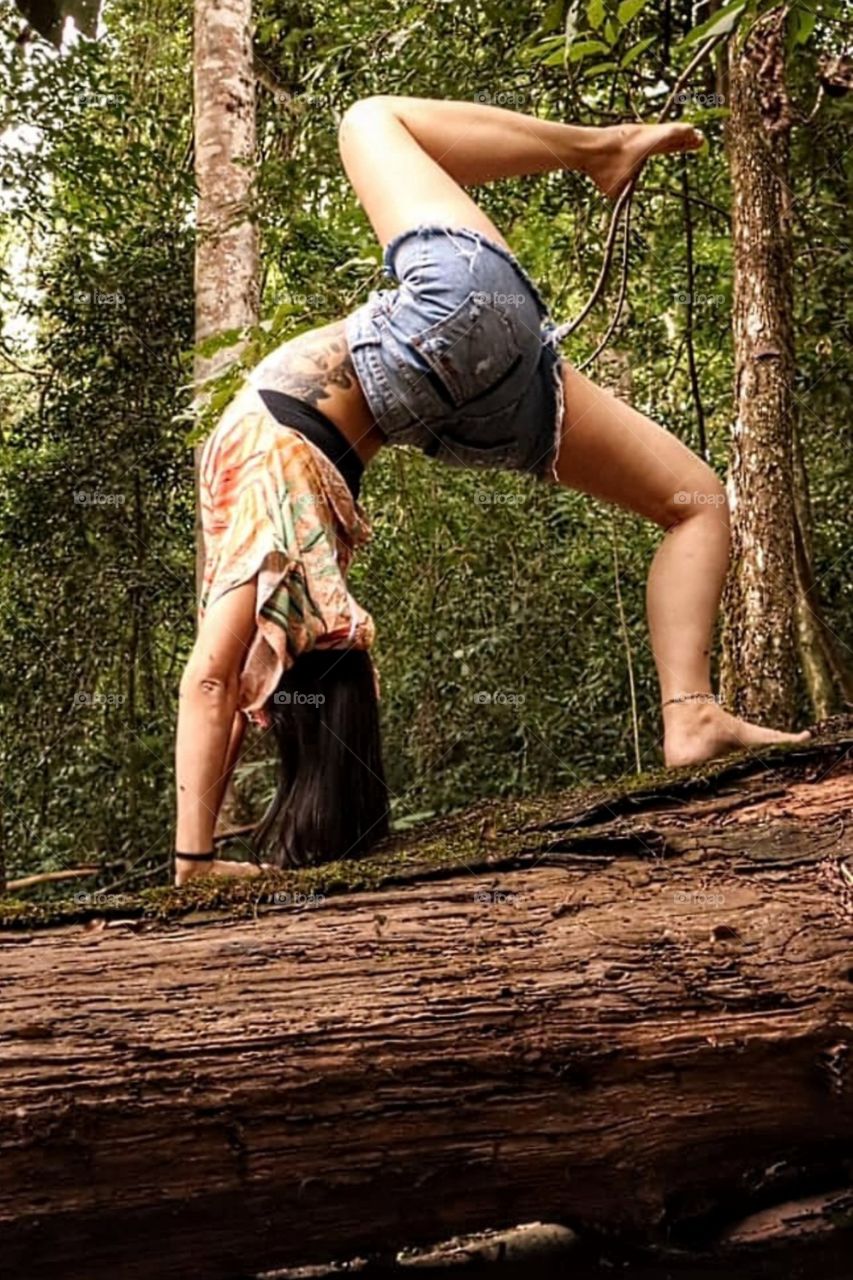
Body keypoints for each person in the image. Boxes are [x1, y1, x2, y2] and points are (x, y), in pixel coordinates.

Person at [174, 94, 809, 886]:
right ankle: (597, 146)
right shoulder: (255, 501)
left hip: (464, 409)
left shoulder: (287, 605)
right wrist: (192, 864)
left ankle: (694, 721)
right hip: (455, 338)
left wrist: (193, 854)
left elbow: (223, 688)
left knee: (697, 502)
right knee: (367, 121)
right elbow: (208, 680)